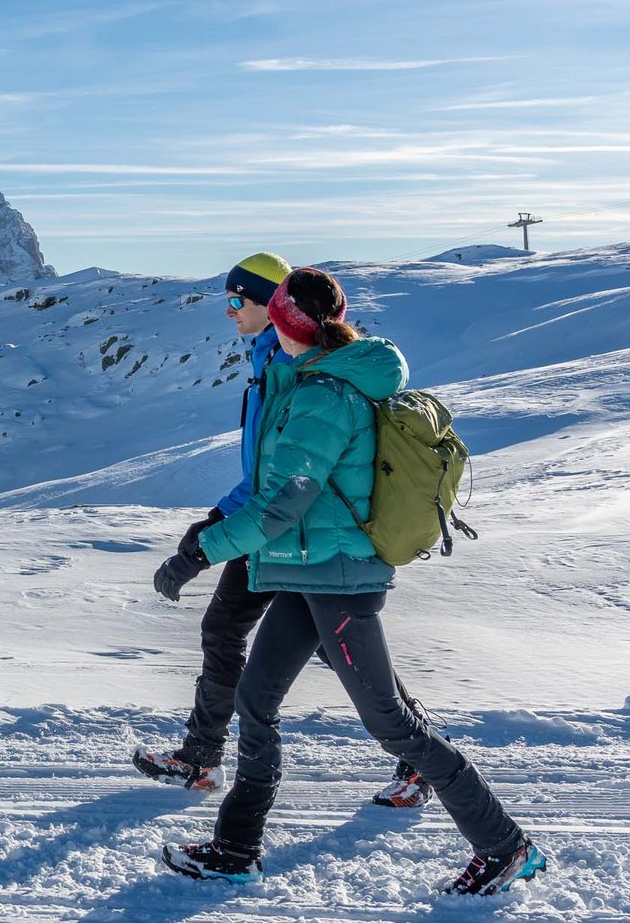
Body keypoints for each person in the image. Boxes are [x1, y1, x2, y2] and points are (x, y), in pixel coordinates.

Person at [152, 267, 545, 894]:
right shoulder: (311, 380)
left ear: (287, 324)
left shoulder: (324, 398)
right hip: (311, 573)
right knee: (256, 701)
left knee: (392, 723)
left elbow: (286, 501)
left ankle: (505, 845)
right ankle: (235, 848)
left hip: (338, 580)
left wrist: (201, 551)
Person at [134, 253, 434, 811]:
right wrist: (219, 517)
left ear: (274, 307)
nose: (229, 313)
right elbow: (264, 470)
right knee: (243, 632)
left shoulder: (294, 370)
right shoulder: (271, 360)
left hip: (293, 534)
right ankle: (203, 757)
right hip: (271, 528)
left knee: (314, 647)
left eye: (236, 301)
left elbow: (289, 480)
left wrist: (212, 537)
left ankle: (419, 759)